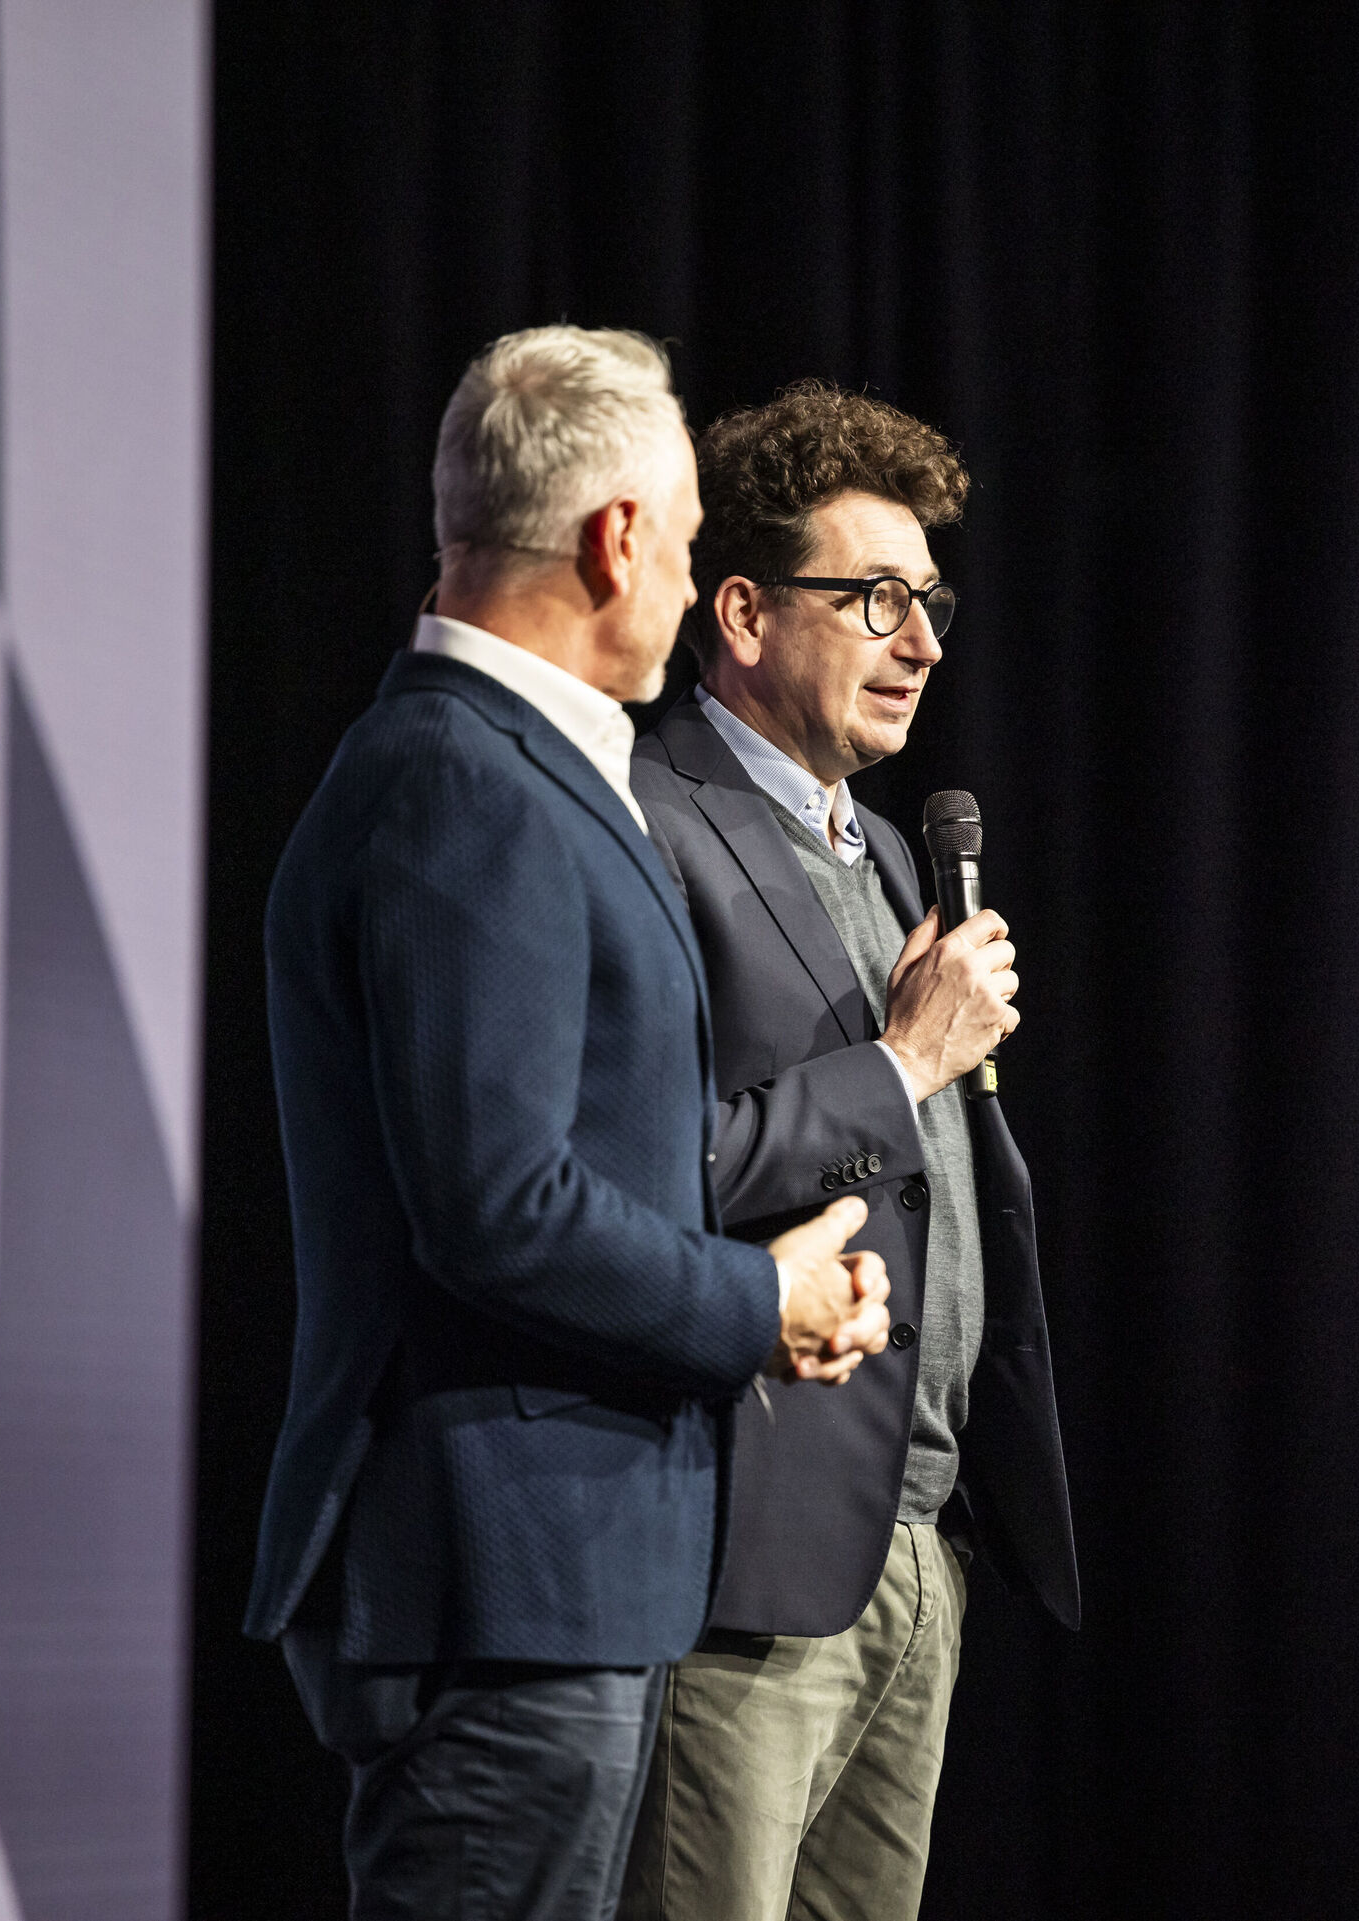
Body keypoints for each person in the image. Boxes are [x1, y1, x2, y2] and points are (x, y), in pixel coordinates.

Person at [246, 327, 893, 1921]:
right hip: (497, 1586)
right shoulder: (466, 781)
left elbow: (567, 1153)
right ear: (616, 542)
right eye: (681, 547)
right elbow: (498, 1205)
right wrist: (759, 1301)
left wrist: (782, 1262)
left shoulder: (509, 770)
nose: (682, 586)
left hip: (554, 1579)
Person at [619, 381, 1079, 1921]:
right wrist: (902, 1062)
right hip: (750, 1543)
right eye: (876, 596)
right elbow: (639, 1171)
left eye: (929, 600)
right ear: (742, 612)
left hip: (918, 1540)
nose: (924, 641)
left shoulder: (886, 850)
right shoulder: (647, 820)